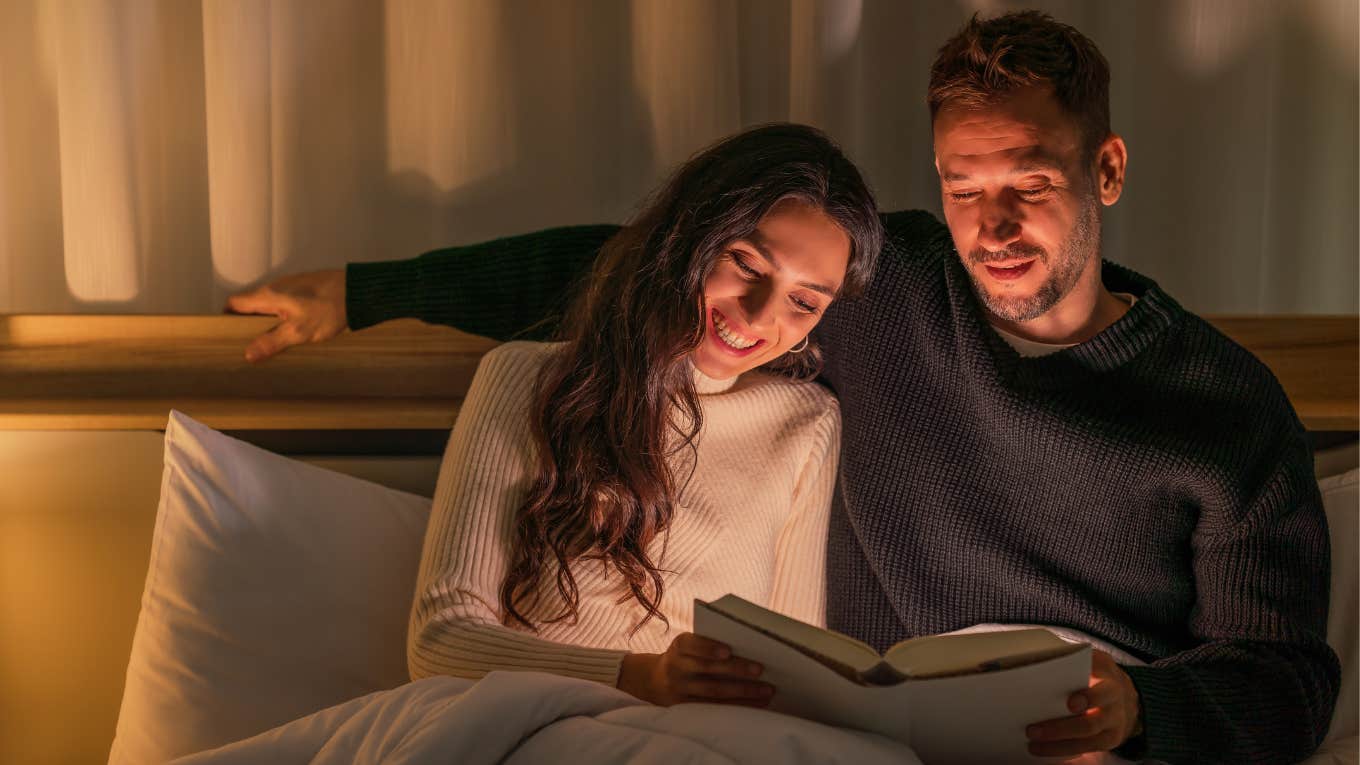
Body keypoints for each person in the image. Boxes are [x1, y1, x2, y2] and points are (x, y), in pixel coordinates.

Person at [226, 12, 1340, 764]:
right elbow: (638, 263)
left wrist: (1146, 711)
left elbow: (1285, 674)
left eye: (1031, 184)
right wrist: (368, 291)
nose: (991, 227)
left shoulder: (1224, 409)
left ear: (1105, 170)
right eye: (964, 187)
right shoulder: (881, 287)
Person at [396, 124, 884, 707]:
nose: (758, 316)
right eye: (748, 265)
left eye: (804, 301)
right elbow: (438, 642)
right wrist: (638, 677)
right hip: (538, 728)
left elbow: (798, 667)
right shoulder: (526, 379)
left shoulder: (805, 424)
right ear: (690, 239)